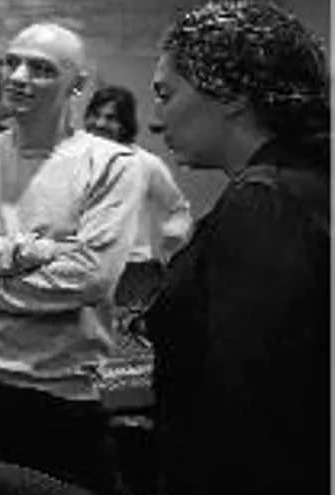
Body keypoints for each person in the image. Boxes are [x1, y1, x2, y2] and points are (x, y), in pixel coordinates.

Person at [0, 22, 148, 494]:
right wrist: (21, 252)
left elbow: (88, 279)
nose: (19, 77)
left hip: (56, 399)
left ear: (77, 85)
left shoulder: (112, 166)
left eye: (41, 69)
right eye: (12, 63)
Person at [142, 2, 330, 494]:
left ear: (230, 94)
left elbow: (251, 412)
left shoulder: (264, 204)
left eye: (166, 94)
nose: (156, 119)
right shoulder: (307, 183)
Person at [83, 85, 192, 308]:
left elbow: (177, 208)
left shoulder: (145, 164)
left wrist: (173, 236)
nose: (100, 124)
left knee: (126, 329)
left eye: (110, 118)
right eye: (95, 115)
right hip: (84, 267)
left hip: (132, 272)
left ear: (125, 124)